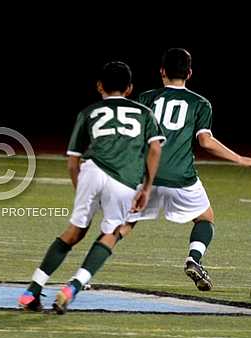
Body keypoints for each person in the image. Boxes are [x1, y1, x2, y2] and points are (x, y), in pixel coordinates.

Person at [18, 61, 165, 313]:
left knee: (75, 230)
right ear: (129, 88)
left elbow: (73, 160)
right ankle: (73, 286)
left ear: (99, 86)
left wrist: (81, 189)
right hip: (124, 179)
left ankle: (32, 290)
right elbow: (155, 147)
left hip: (92, 170)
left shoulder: (88, 112)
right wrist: (147, 187)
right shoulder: (144, 113)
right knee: (115, 230)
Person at [131, 48, 251, 291]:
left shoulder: (146, 98)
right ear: (190, 73)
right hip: (181, 178)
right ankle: (194, 259)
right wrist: (239, 159)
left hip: (147, 177)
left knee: (121, 225)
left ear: (162, 71)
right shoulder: (200, 103)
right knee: (205, 218)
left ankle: (82, 277)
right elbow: (205, 141)